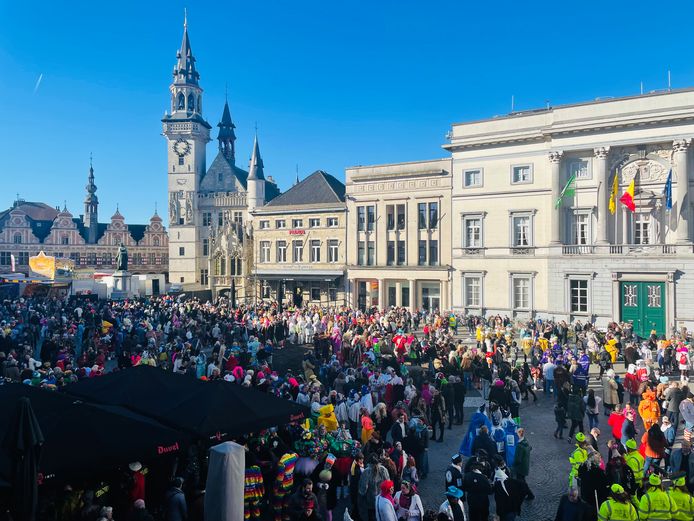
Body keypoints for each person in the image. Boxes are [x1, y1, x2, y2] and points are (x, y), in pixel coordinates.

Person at [511, 428, 534, 500]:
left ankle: (529, 494)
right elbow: (530, 448)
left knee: (522, 482)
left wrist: (513, 465)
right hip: (525, 466)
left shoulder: (519, 446)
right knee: (522, 481)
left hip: (520, 468)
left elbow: (518, 460)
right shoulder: (525, 441)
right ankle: (525, 493)